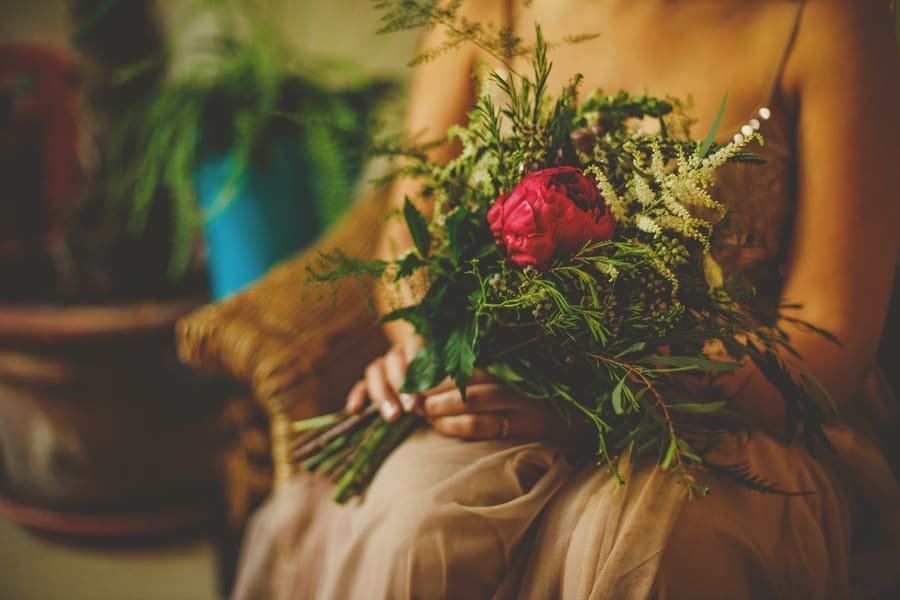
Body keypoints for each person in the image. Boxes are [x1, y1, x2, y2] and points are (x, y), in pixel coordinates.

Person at [233, 1, 900, 598]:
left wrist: (591, 398)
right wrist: (429, 352)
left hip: (731, 409)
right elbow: (409, 237)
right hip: (504, 388)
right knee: (413, 530)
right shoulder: (486, 11)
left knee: (648, 552)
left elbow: (828, 335)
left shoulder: (828, 19)